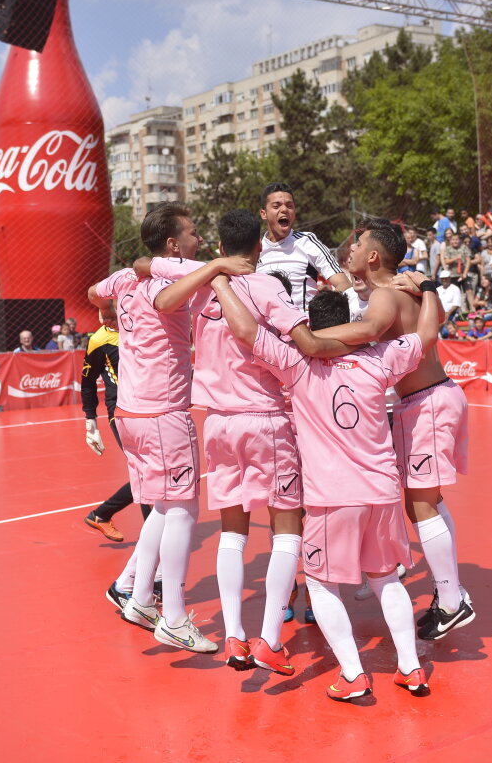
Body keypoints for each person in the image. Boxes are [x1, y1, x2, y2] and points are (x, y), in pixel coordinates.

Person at [209, 276, 439, 700]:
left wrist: (220, 278)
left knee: (319, 583)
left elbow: (244, 330)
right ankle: (411, 669)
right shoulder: (379, 358)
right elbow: (427, 332)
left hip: (334, 497)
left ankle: (353, 674)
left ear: (310, 326)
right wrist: (428, 288)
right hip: (383, 491)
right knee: (387, 579)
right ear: (349, 323)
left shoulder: (297, 363)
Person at [148, 209, 353, 674]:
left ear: (220, 246)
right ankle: (268, 639)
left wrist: (214, 272)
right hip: (264, 419)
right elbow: (303, 340)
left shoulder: (200, 283)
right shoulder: (264, 286)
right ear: (259, 247)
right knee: (287, 529)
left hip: (217, 422)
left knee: (232, 532)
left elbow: (156, 286)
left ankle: (234, 638)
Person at [87, 202, 253, 655]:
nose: (200, 239)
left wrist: (110, 311)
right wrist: (218, 265)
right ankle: (175, 616)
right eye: (193, 233)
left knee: (163, 507)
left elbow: (91, 292)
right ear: (173, 244)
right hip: (163, 411)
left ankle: (140, 598)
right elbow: (191, 291)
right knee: (182, 510)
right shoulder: (179, 282)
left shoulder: (123, 278)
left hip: (130, 413)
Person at [312, 221, 474, 641]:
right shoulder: (402, 291)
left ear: (373, 256)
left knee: (421, 504)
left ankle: (452, 601)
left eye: (358, 243)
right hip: (427, 399)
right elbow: (430, 321)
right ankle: (449, 593)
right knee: (425, 501)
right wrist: (429, 286)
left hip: (428, 402)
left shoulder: (386, 294)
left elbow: (367, 331)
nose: (349, 248)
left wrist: (307, 339)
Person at [81, 301, 149, 546]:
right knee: (145, 472)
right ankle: (151, 538)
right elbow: (87, 383)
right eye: (100, 313)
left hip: (150, 408)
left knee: (150, 473)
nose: (103, 319)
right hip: (120, 412)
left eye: (108, 312)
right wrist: (91, 423)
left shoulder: (142, 326)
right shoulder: (100, 339)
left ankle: (101, 515)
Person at [256, 182, 350, 311]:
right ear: (263, 214)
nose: (284, 210)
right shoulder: (255, 249)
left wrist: (320, 312)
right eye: (276, 206)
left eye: (289, 206)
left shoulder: (307, 242)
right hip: (266, 329)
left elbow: (344, 284)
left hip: (305, 327)